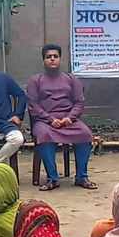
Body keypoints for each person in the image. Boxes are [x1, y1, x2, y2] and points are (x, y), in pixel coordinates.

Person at [26, 43, 97, 191]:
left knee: (85, 134)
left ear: (60, 59)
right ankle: (53, 179)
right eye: (48, 57)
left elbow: (79, 102)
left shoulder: (71, 79)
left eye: (55, 56)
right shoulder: (35, 80)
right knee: (43, 135)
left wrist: (69, 118)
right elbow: (33, 105)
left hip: (69, 120)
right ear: (43, 60)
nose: (52, 59)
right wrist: (50, 120)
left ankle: (81, 177)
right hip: (45, 122)